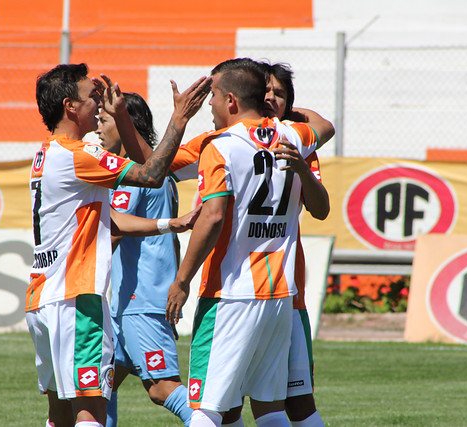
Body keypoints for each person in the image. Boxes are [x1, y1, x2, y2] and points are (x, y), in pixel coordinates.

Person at [26, 63, 210, 427]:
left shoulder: (44, 155)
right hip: (78, 298)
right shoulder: (81, 157)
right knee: (92, 413)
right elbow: (152, 173)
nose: (100, 106)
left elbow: (109, 217)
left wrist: (168, 224)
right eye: (91, 98)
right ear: (70, 107)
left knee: (61, 414)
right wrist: (180, 117)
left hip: (42, 296)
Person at [164, 58, 322, 427]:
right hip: (279, 296)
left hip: (230, 294)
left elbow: (213, 215)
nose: (210, 104)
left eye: (214, 96)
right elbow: (324, 128)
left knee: (205, 409)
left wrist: (182, 280)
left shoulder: (220, 146)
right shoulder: (293, 136)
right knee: (269, 410)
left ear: (231, 100)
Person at [220, 62, 330, 427]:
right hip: (237, 289)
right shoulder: (226, 141)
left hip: (285, 294)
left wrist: (294, 124)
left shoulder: (296, 143)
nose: (269, 98)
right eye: (264, 91)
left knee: (295, 404)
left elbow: (321, 208)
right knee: (231, 406)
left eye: (278, 94)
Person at [96, 92, 193, 426]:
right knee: (99, 388)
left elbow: (116, 229)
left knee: (162, 389)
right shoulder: (162, 175)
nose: (97, 128)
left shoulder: (134, 174)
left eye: (104, 120)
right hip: (134, 302)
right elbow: (172, 242)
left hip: (141, 301)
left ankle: (209, 421)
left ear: (126, 127)